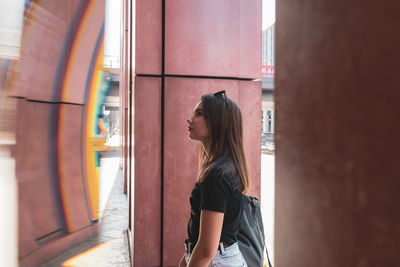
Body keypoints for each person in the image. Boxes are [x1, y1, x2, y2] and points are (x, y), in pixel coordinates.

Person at [179, 91, 249, 267]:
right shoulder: (221, 167)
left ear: (218, 122)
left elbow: (206, 250)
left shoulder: (217, 174)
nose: (191, 119)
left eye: (199, 113)